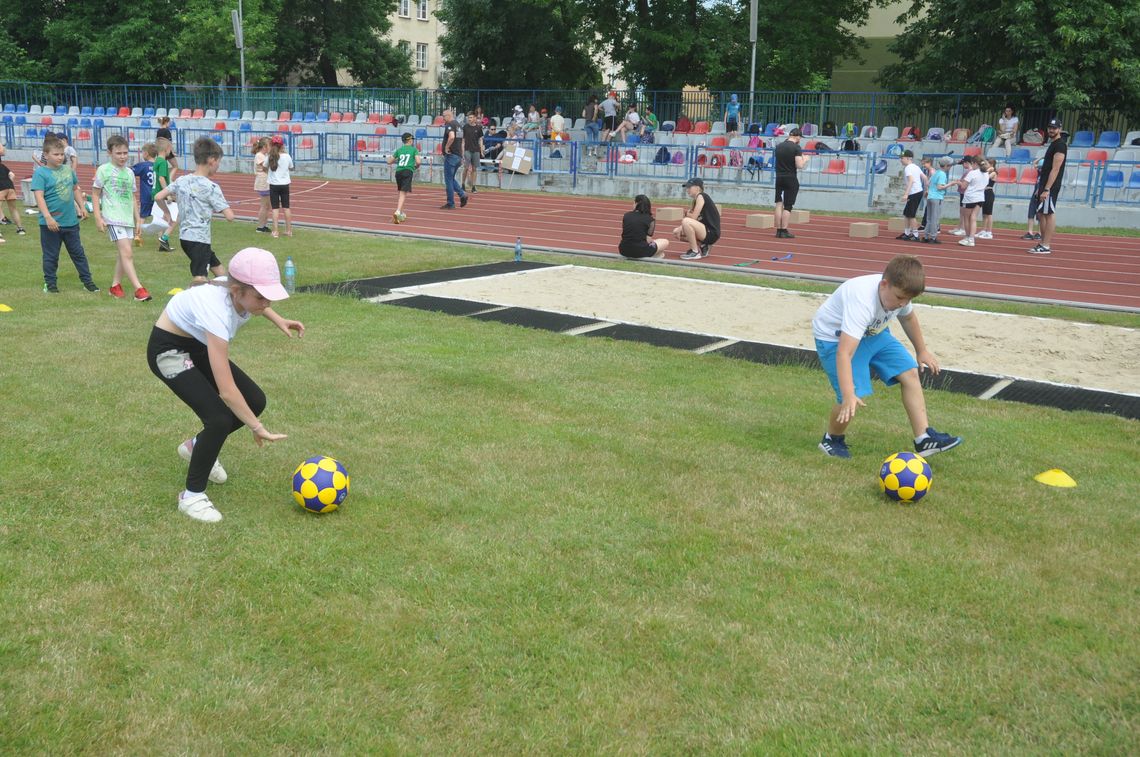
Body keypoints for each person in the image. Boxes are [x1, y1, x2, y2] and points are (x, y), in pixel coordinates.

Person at [147, 247, 304, 522]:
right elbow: (227, 391)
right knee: (218, 418)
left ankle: (197, 447)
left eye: (269, 296)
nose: (265, 302)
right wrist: (257, 428)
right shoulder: (216, 310)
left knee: (255, 400)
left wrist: (279, 319)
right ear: (236, 290)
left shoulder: (236, 292)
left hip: (196, 344)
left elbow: (255, 302)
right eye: (260, 296)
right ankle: (191, 496)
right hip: (169, 351)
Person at [813, 254, 963, 459]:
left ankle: (924, 438)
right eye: (900, 298)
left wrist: (922, 350)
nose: (903, 304)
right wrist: (848, 393)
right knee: (851, 393)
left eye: (908, 299)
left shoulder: (899, 293)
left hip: (874, 333)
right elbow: (844, 353)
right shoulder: (862, 301)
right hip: (835, 338)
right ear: (884, 284)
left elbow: (908, 318)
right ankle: (832, 439)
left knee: (909, 372)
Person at [154, 136, 235, 286]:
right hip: (200, 239)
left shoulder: (181, 180)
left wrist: (166, 212)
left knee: (217, 268)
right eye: (219, 162)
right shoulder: (211, 188)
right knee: (200, 279)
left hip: (185, 238)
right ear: (212, 160)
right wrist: (218, 206)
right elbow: (230, 216)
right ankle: (195, 301)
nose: (218, 166)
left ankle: (231, 290)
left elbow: (158, 196)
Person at [31, 134, 98, 294]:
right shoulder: (41, 173)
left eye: (62, 154)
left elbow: (75, 189)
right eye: (56, 154)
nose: (60, 157)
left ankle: (88, 282)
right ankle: (50, 283)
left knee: (78, 254)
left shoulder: (68, 170)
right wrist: (48, 217)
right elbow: (39, 196)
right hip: (50, 224)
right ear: (46, 155)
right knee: (51, 256)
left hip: (70, 223)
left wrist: (82, 207)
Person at [92, 134, 151, 302]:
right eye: (118, 153)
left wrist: (138, 218)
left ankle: (115, 286)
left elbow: (133, 197)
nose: (123, 156)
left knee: (123, 254)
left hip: (128, 218)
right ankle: (139, 289)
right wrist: (98, 217)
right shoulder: (103, 170)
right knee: (127, 252)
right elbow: (95, 194)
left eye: (125, 153)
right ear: (109, 153)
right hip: (112, 217)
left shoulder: (130, 173)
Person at [1029, 118, 1067, 255]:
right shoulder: (1053, 144)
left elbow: (1055, 169)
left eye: (1054, 128)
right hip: (1044, 183)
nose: (1051, 130)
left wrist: (1046, 189)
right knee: (1041, 213)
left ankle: (1046, 245)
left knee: (1048, 214)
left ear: (1060, 129)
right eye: (1050, 127)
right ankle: (1042, 242)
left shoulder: (1060, 145)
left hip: (1050, 185)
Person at [773, 127, 808, 238]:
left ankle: (778, 230)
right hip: (790, 178)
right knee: (788, 206)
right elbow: (799, 165)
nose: (800, 140)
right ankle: (784, 230)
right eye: (800, 138)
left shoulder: (779, 146)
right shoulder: (796, 148)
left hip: (779, 177)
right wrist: (805, 159)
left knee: (779, 203)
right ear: (797, 136)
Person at [674, 177, 720, 260]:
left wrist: (687, 214)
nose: (687, 189)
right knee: (676, 232)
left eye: (689, 187)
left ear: (698, 188)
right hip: (704, 230)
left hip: (711, 232)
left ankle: (695, 252)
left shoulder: (701, 196)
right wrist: (680, 228)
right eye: (687, 187)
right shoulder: (695, 200)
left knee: (686, 221)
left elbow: (693, 217)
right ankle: (703, 246)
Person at [618, 195, 671, 259]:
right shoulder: (650, 220)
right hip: (640, 251)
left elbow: (627, 233)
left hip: (623, 250)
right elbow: (648, 240)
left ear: (636, 204)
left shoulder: (626, 215)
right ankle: (655, 255)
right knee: (665, 241)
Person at [388, 132, 421, 223]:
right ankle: (398, 212)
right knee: (403, 193)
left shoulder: (399, 150)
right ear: (410, 140)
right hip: (407, 171)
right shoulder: (414, 150)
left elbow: (389, 161)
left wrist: (394, 159)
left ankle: (401, 213)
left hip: (398, 172)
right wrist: (416, 167)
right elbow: (418, 162)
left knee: (401, 193)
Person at [955, 155, 987, 247]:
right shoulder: (986, 174)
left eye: (972, 163)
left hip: (970, 198)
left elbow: (963, 186)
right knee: (973, 218)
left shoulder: (972, 173)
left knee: (967, 218)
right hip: (980, 197)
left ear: (975, 163)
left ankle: (968, 237)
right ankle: (971, 239)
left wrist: (958, 182)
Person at [265, 135, 293, 238]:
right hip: (285, 184)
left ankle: (275, 231)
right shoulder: (287, 156)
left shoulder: (270, 156)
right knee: (286, 208)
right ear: (282, 145)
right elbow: (291, 167)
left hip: (274, 185)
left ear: (272, 145)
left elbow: (264, 167)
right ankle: (289, 230)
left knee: (275, 209)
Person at [440, 108, 468, 210]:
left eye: (444, 116)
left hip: (451, 156)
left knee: (448, 180)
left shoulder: (450, 125)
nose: (443, 118)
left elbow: (451, 137)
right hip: (458, 156)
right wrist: (462, 156)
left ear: (449, 115)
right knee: (451, 178)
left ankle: (451, 203)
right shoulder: (459, 126)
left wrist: (446, 147)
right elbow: (462, 142)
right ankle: (462, 194)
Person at [922, 156, 954, 244]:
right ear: (947, 165)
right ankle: (933, 237)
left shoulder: (935, 172)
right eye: (950, 166)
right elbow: (940, 187)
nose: (950, 167)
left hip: (930, 197)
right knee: (934, 219)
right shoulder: (942, 174)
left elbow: (928, 183)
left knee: (929, 218)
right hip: (937, 197)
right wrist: (950, 184)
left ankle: (926, 236)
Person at [153, 136, 175, 251]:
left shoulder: (157, 160)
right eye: (170, 149)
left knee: (165, 216)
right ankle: (164, 238)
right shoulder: (163, 162)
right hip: (160, 193)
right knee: (174, 218)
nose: (171, 152)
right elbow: (161, 179)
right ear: (166, 149)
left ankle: (163, 243)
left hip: (156, 193)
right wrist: (168, 194)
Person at [897, 149, 924, 241]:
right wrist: (927, 188)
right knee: (906, 214)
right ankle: (907, 233)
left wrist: (906, 194)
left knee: (911, 215)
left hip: (914, 193)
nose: (901, 159)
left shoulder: (908, 168)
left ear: (908, 158)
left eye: (902, 158)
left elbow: (911, 180)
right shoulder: (916, 166)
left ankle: (915, 235)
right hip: (918, 192)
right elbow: (924, 177)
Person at [0, 142, 27, 236]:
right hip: (10, 187)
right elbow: (12, 175)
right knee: (13, 209)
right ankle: (20, 229)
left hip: (1, 188)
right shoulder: (3, 166)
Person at [132, 142, 157, 228]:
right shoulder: (159, 165)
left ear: (146, 153)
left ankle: (138, 235)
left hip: (146, 196)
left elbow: (130, 172)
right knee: (159, 218)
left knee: (142, 217)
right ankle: (161, 238)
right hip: (158, 195)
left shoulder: (143, 165)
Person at [251, 137, 271, 233]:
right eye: (269, 145)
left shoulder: (264, 155)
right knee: (264, 205)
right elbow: (266, 166)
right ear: (264, 147)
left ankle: (264, 225)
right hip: (263, 182)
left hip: (266, 181)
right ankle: (260, 226)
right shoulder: (260, 155)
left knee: (267, 206)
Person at [461, 112, 484, 193]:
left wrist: (481, 150)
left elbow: (480, 140)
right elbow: (463, 140)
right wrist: (462, 151)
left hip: (476, 150)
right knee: (466, 168)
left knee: (474, 169)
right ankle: (463, 184)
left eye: (471, 117)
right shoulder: (465, 127)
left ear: (474, 118)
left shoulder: (479, 128)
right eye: (468, 117)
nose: (469, 119)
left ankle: (473, 186)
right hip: (467, 150)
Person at [977, 157, 997, 239]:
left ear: (991, 165)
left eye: (987, 164)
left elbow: (986, 177)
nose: (985, 165)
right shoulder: (986, 172)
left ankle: (989, 231)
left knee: (989, 214)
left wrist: (989, 170)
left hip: (989, 193)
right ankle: (983, 230)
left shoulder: (994, 173)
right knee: (984, 214)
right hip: (984, 193)